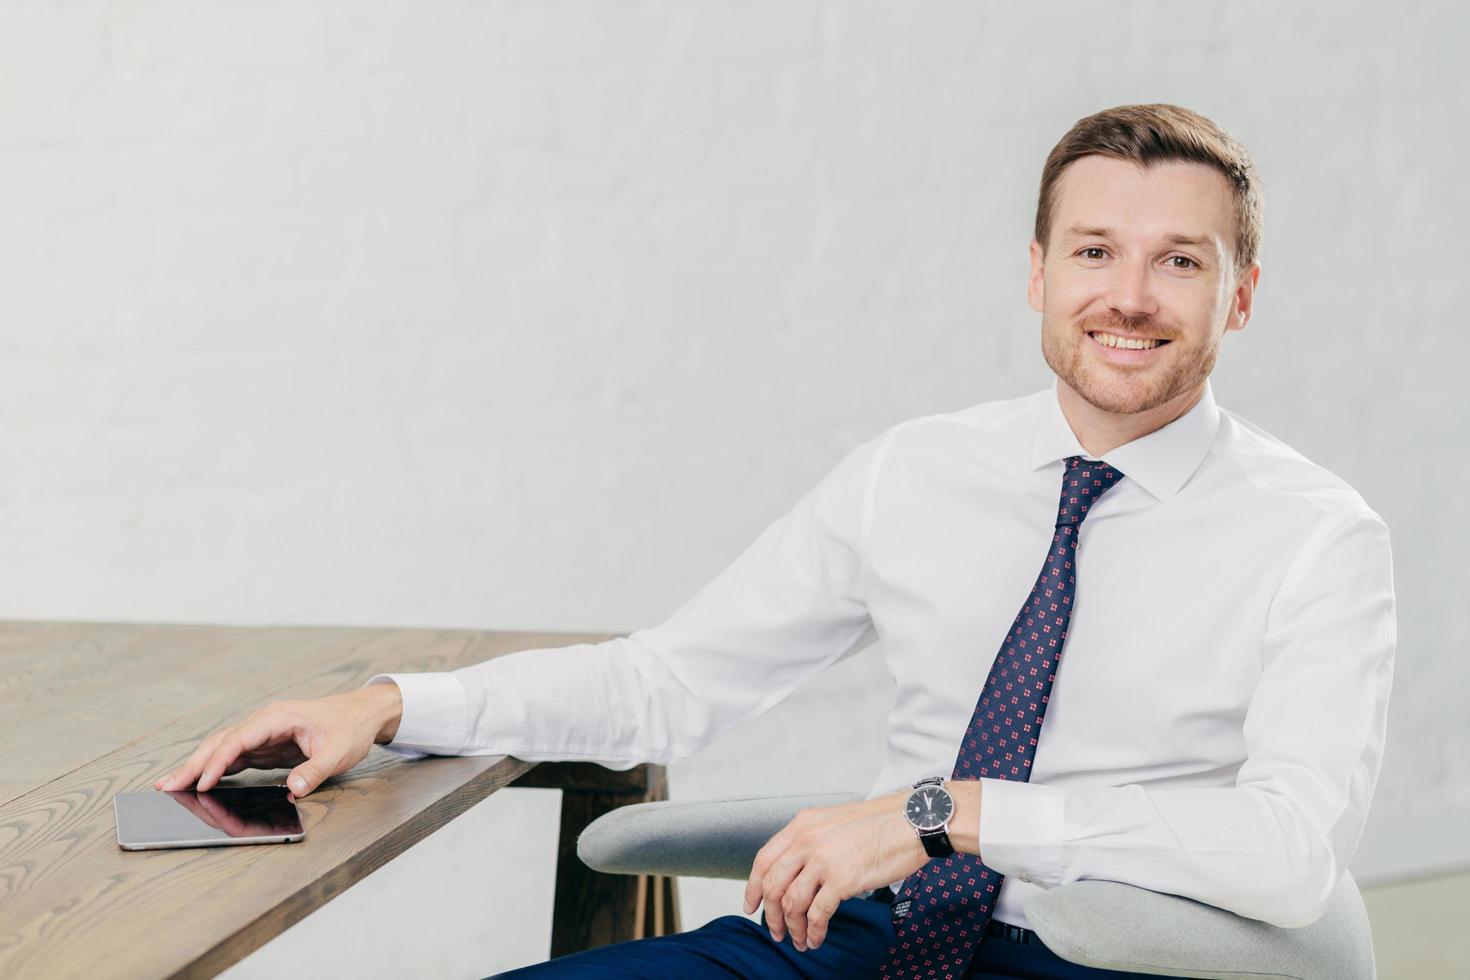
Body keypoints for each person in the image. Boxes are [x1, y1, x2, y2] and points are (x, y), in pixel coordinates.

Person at [156, 104, 1396, 979]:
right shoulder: (919, 473)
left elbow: (1290, 854)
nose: (1127, 296)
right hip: (861, 939)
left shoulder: (1315, 537)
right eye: (1094, 251)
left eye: (1178, 260)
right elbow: (670, 681)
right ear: (1034, 273)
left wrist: (952, 812)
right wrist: (386, 702)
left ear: (1239, 294)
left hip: (1121, 954)